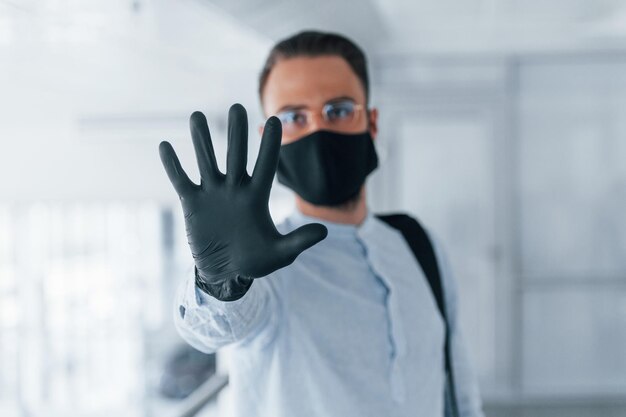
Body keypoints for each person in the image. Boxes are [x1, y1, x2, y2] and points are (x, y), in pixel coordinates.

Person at [159, 31, 484, 417]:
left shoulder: (418, 244)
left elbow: (457, 382)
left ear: (372, 124)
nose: (318, 130)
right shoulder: (264, 271)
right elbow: (212, 328)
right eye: (294, 117)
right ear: (269, 140)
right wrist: (221, 281)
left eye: (339, 110)